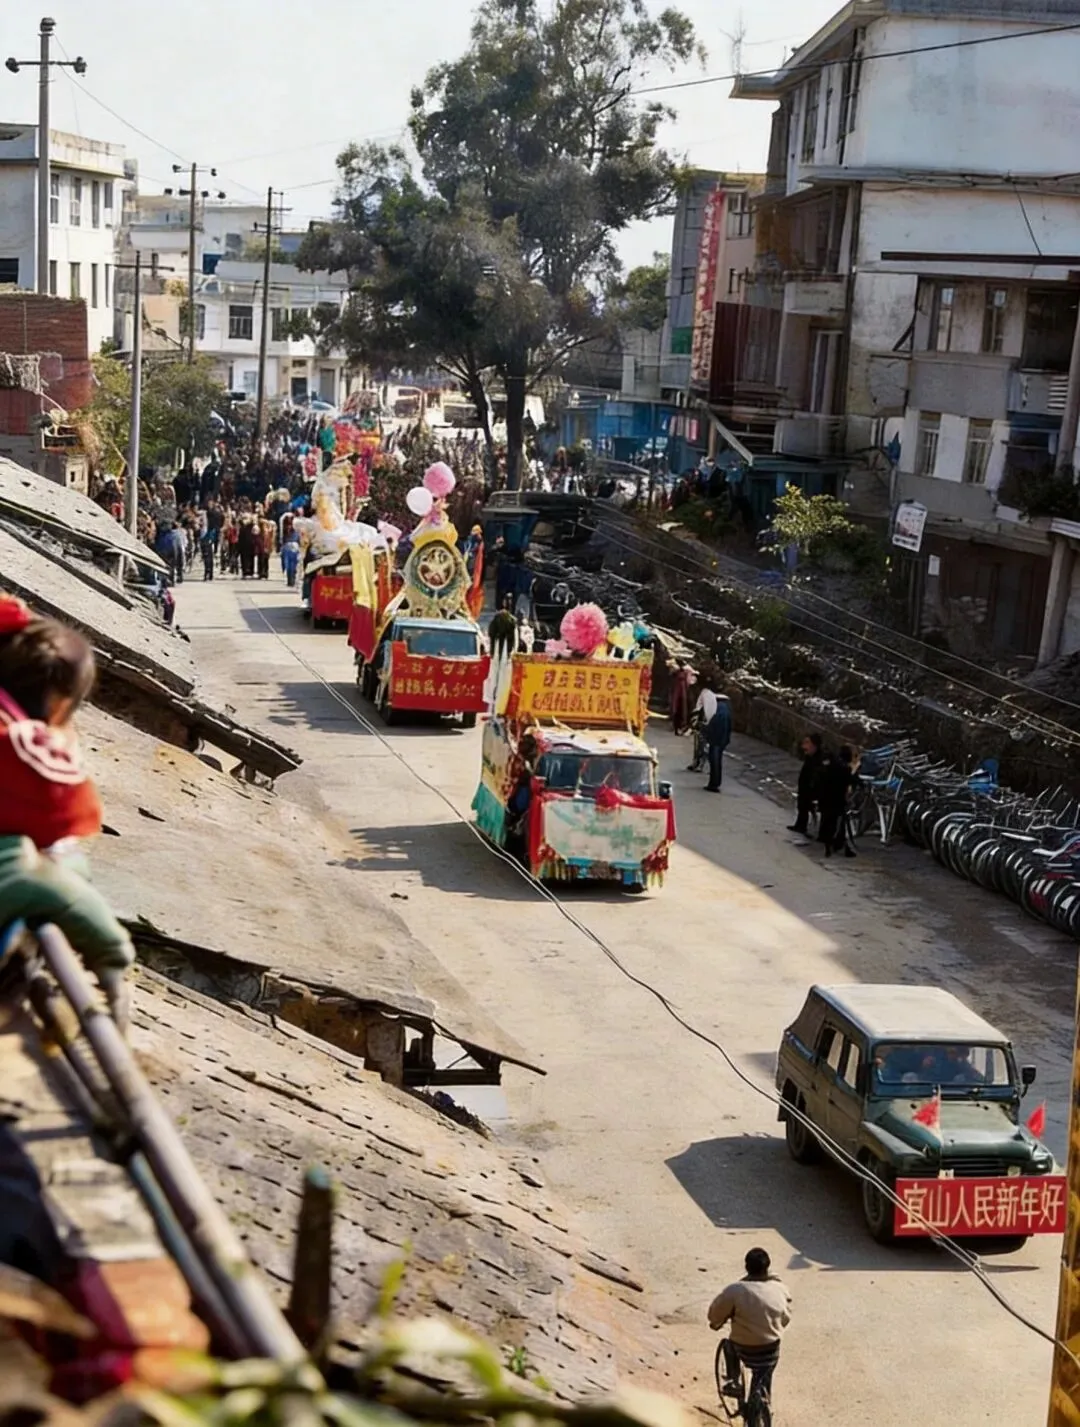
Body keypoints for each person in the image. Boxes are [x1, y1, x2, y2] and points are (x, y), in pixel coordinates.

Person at [0, 596, 133, 1031]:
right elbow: (55, 873)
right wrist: (112, 959)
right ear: (58, 706)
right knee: (54, 868)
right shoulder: (19, 756)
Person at [708, 1247, 792, 1408]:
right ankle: (764, 1404)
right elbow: (786, 1318)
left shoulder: (735, 1290)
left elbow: (715, 1314)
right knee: (764, 1375)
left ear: (746, 1267)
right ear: (767, 1266)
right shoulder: (780, 1288)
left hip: (744, 1349)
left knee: (729, 1345)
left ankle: (733, 1381)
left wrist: (716, 1323)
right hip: (770, 1349)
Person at [818, 745, 858, 858]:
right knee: (838, 823)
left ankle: (830, 842)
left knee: (829, 820)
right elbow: (850, 781)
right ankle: (836, 844)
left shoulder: (832, 764)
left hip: (826, 796)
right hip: (838, 799)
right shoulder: (846, 768)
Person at [789, 732, 824, 836]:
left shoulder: (819, 759)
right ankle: (800, 825)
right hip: (805, 786)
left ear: (814, 745)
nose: (804, 746)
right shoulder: (809, 757)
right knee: (801, 804)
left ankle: (807, 827)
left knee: (807, 805)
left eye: (807, 743)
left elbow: (818, 776)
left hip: (813, 788)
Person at [688, 676, 718, 773]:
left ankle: (701, 764)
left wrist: (701, 721)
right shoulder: (709, 694)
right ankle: (696, 762)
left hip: (703, 722)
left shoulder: (706, 694)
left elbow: (704, 709)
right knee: (699, 744)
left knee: (702, 745)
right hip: (705, 721)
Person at [704, 691, 732, 793]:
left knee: (714, 760)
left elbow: (713, 723)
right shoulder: (726, 709)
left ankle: (713, 783)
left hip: (716, 738)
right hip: (722, 738)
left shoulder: (717, 708)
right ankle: (715, 783)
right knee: (717, 760)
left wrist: (708, 734)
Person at [670, 658, 696, 736]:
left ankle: (681, 726)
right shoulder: (677, 670)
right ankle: (678, 726)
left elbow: (690, 681)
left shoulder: (687, 670)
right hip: (679, 692)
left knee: (682, 708)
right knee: (678, 708)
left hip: (683, 692)